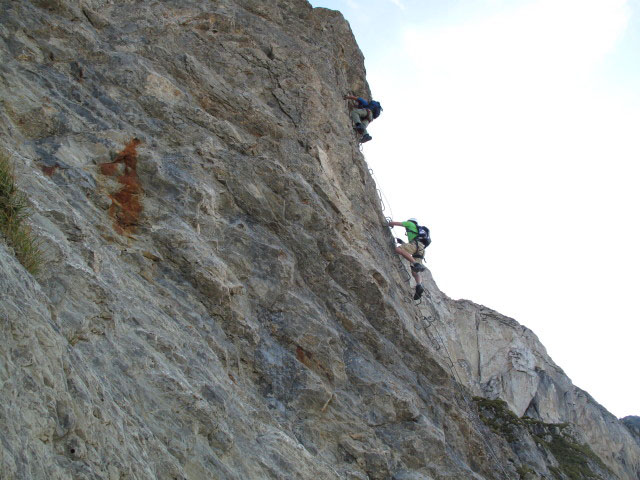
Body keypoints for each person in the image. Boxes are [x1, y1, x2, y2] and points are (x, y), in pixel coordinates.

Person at [388, 218, 429, 300]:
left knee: (398, 249)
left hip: (415, 244)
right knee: (415, 272)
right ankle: (419, 285)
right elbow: (412, 247)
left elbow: (394, 223)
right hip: (421, 249)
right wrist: (402, 243)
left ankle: (415, 263)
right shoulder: (417, 231)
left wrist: (390, 224)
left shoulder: (410, 224)